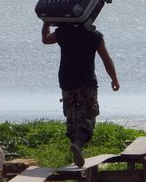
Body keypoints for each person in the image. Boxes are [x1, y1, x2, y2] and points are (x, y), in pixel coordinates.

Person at [42, 21, 120, 167]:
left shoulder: (63, 33)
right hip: (87, 84)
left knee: (72, 119)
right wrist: (114, 79)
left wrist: (46, 23)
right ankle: (78, 144)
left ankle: (77, 148)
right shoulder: (95, 36)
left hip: (67, 83)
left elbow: (46, 39)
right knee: (88, 119)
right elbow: (106, 60)